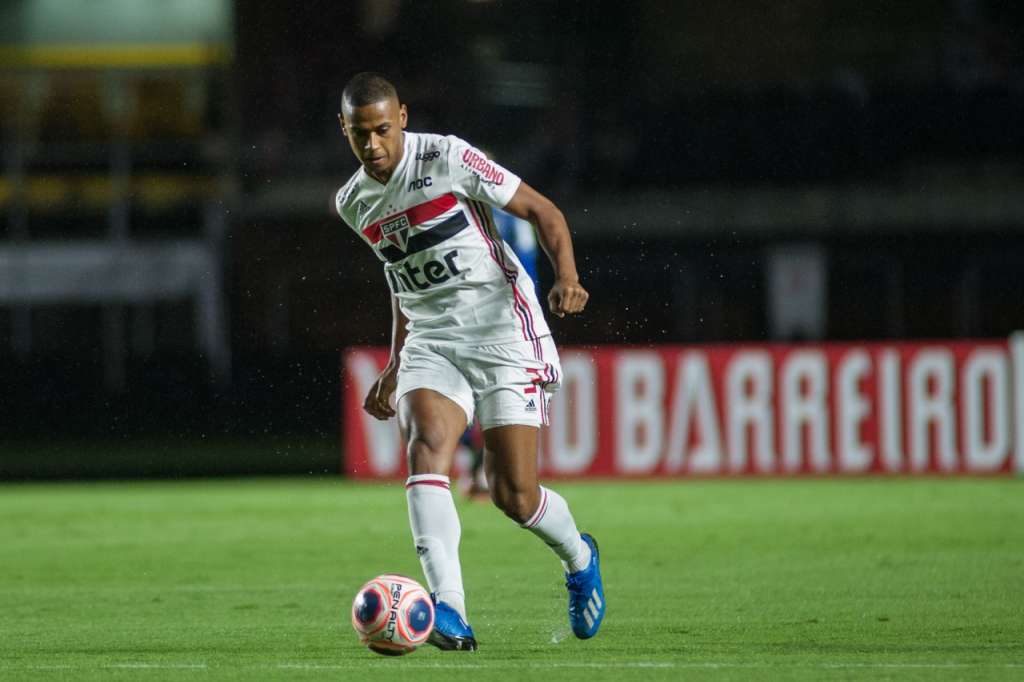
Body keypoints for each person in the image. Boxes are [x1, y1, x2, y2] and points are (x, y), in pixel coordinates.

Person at [334, 72, 605, 650]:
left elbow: (543, 210)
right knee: (425, 443)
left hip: (503, 330)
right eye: (362, 135)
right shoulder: (353, 203)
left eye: (383, 129)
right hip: (433, 338)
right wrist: (395, 360)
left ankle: (580, 558)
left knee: (514, 495)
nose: (375, 145)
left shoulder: (448, 157)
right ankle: (449, 608)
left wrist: (568, 278)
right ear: (345, 131)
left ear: (402, 116)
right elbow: (401, 276)